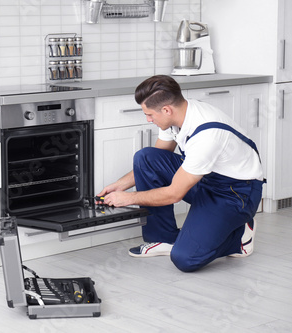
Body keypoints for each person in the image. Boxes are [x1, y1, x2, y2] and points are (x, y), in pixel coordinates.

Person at [97, 75, 265, 272]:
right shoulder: (178, 115)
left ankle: (240, 236)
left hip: (235, 193)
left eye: (149, 114)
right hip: (205, 179)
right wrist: (120, 185)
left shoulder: (207, 135)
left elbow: (174, 193)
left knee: (186, 258)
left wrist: (127, 198)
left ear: (167, 110)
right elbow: (158, 158)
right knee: (147, 157)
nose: (148, 119)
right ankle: (163, 239)